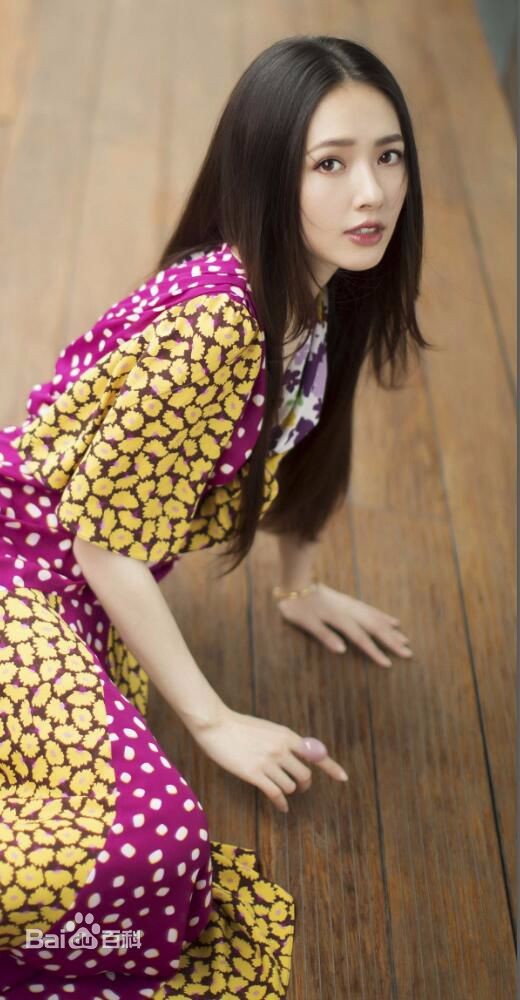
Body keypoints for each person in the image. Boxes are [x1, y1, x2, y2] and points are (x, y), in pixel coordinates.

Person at [0, 33, 431, 999]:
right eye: (330, 164)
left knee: (138, 858)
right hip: (22, 572)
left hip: (73, 590)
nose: (372, 193)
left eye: (389, 155)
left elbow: (305, 441)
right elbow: (104, 545)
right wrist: (216, 719)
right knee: (153, 846)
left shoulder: (315, 297)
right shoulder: (220, 325)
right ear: (270, 170)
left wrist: (300, 586)